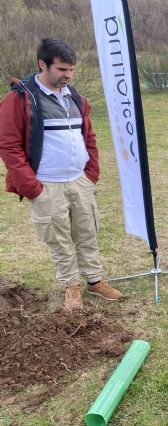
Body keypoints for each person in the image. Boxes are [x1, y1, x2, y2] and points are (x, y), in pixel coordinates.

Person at [0, 38, 124, 310]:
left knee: (87, 233)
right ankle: (72, 287)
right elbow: (8, 145)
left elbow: (88, 135)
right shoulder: (20, 98)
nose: (68, 76)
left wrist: (91, 172)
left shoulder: (74, 97)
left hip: (79, 181)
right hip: (46, 185)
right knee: (59, 240)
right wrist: (33, 188)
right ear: (42, 64)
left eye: (71, 70)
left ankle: (94, 281)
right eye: (61, 70)